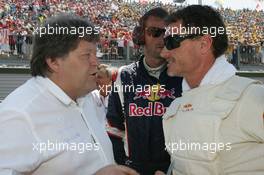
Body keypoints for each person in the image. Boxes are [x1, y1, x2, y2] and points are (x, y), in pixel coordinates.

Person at [0, 14, 138, 175]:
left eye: (96, 53)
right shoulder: (19, 114)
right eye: (87, 55)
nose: (96, 62)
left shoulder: (85, 98)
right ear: (53, 61)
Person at [160, 5, 264, 175]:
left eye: (172, 41)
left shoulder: (250, 97)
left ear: (204, 44)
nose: (164, 52)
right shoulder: (175, 108)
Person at [106, 8, 182, 175]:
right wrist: (123, 165)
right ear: (141, 36)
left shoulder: (182, 76)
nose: (162, 38)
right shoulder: (123, 76)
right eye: (155, 32)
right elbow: (113, 127)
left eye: (167, 34)